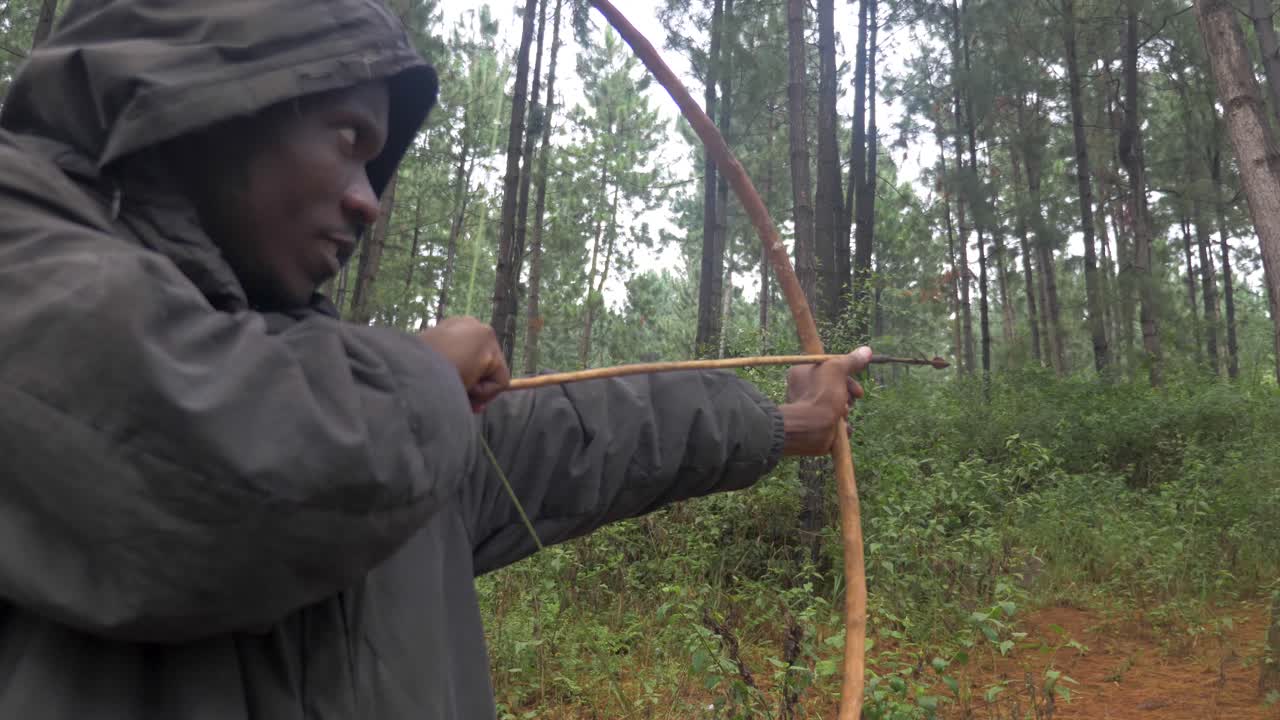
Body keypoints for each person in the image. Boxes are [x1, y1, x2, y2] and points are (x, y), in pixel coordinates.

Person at [0, 1, 871, 717]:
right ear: (213, 97)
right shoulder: (27, 249)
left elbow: (583, 435)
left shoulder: (379, 413)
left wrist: (786, 423)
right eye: (348, 139)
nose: (368, 201)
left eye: (379, 166)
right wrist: (420, 374)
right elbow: (213, 453)